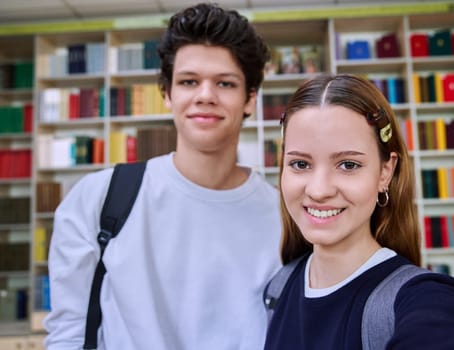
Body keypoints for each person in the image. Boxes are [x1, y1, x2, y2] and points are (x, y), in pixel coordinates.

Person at [43, 3, 282, 349]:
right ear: (168, 95)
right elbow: (69, 332)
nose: (205, 96)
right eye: (188, 81)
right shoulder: (100, 198)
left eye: (225, 83)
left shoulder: (285, 215)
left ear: (250, 100)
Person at [264, 74, 454, 350]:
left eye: (348, 165)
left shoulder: (420, 296)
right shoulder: (279, 287)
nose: (318, 190)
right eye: (300, 164)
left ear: (385, 172)